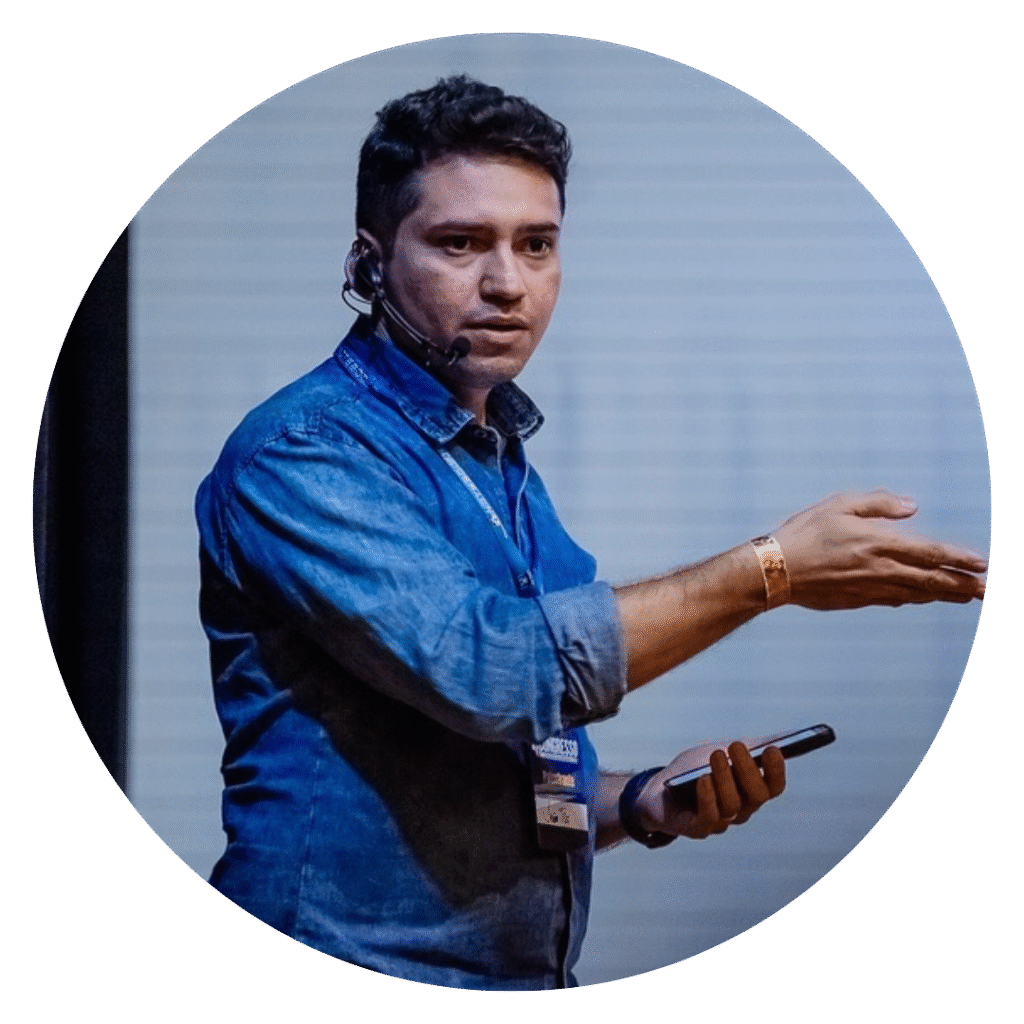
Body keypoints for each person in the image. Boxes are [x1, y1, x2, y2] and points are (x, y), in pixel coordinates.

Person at [195, 76, 987, 990]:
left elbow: (502, 767)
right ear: (370, 265)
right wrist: (772, 571)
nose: (507, 284)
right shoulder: (303, 452)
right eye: (460, 243)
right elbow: (493, 674)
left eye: (536, 244)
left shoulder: (497, 459)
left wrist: (646, 801)